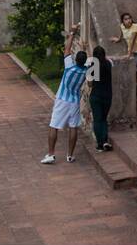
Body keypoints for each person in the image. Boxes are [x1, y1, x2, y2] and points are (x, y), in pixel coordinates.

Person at [41, 23, 88, 164]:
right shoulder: (85, 71)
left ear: (75, 60)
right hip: (74, 101)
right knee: (73, 127)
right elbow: (89, 63)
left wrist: (72, 33)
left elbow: (67, 48)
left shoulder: (69, 67)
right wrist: (85, 49)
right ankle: (70, 155)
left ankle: (51, 154)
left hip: (62, 99)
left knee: (54, 125)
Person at [111, 12, 137, 82]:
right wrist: (118, 39)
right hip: (135, 54)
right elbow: (122, 32)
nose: (128, 20)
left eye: (129, 18)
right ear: (123, 21)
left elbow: (132, 41)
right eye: (126, 19)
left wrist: (129, 54)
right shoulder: (122, 26)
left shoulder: (135, 26)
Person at [89, 45, 113, 153]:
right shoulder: (108, 64)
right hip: (107, 95)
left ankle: (100, 143)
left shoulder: (92, 67)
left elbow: (89, 84)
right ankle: (105, 140)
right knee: (103, 118)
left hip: (96, 95)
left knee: (97, 120)